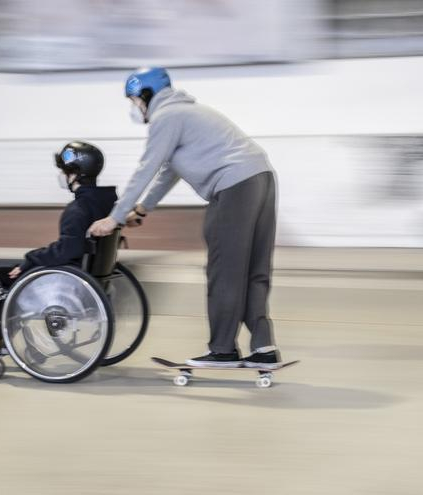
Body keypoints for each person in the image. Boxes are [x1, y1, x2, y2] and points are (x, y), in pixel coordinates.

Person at [88, 67, 282, 369]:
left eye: (133, 100)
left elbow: (147, 168)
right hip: (262, 178)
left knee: (225, 270)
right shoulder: (187, 113)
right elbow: (169, 171)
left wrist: (114, 218)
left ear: (146, 95)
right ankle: (263, 346)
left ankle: (222, 349)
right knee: (254, 269)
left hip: (234, 187)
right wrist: (143, 208)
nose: (134, 107)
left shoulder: (167, 117)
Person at [0, 141, 117, 361]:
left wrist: (30, 260)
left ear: (75, 174)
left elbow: (68, 249)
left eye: (64, 171)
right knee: (10, 274)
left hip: (66, 284)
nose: (61, 175)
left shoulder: (78, 208)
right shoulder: (106, 204)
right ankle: (2, 338)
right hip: (87, 277)